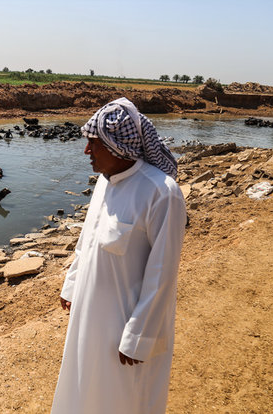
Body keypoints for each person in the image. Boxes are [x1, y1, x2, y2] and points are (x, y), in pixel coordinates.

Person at [51, 97, 187, 414]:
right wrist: (71, 284)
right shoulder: (105, 182)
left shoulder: (161, 193)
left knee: (124, 398)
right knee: (83, 386)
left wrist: (139, 335)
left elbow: (162, 274)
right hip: (89, 315)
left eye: (93, 145)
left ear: (117, 147)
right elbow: (88, 238)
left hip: (124, 325)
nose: (87, 152)